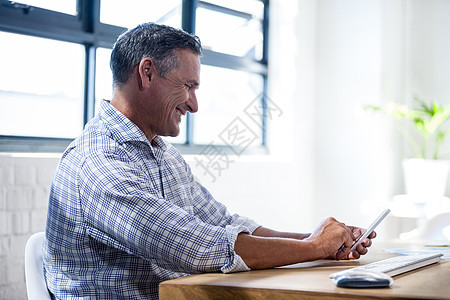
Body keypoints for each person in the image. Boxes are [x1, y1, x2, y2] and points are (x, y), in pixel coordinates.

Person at [43, 22, 376, 299]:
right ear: (146, 73)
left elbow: (224, 224)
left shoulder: (162, 154)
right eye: (188, 86)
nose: (194, 105)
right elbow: (193, 247)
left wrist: (314, 241)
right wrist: (316, 247)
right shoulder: (98, 162)